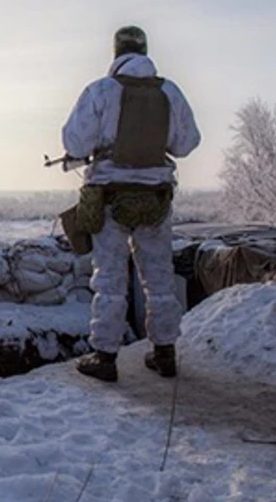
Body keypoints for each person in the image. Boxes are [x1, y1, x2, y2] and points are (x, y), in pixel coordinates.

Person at [61, 26, 201, 382]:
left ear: (116, 53)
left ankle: (105, 357)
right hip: (156, 199)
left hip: (111, 196)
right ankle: (165, 352)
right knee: (159, 278)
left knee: (109, 279)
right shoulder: (169, 91)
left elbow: (74, 143)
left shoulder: (100, 90)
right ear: (145, 51)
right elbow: (187, 143)